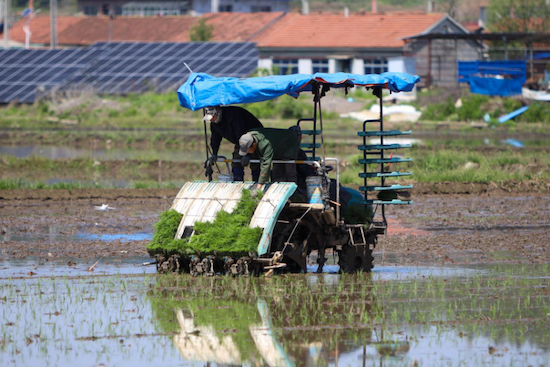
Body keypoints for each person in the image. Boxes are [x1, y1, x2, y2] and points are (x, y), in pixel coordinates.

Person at [203, 106, 263, 181]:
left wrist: (246, 155)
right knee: (236, 163)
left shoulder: (233, 116)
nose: (211, 120)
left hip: (254, 138)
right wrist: (214, 153)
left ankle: (258, 185)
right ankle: (238, 185)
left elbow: (242, 134)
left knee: (255, 163)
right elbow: (215, 138)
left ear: (218, 113)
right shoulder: (214, 123)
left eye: (212, 117)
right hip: (240, 140)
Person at [238, 128, 299, 192]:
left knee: (289, 170)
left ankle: (293, 193)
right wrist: (246, 155)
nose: (247, 151)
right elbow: (247, 146)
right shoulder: (248, 136)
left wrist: (258, 187)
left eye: (248, 150)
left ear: (254, 144)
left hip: (289, 143)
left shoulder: (265, 144)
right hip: (276, 145)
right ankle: (278, 191)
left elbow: (265, 164)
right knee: (277, 171)